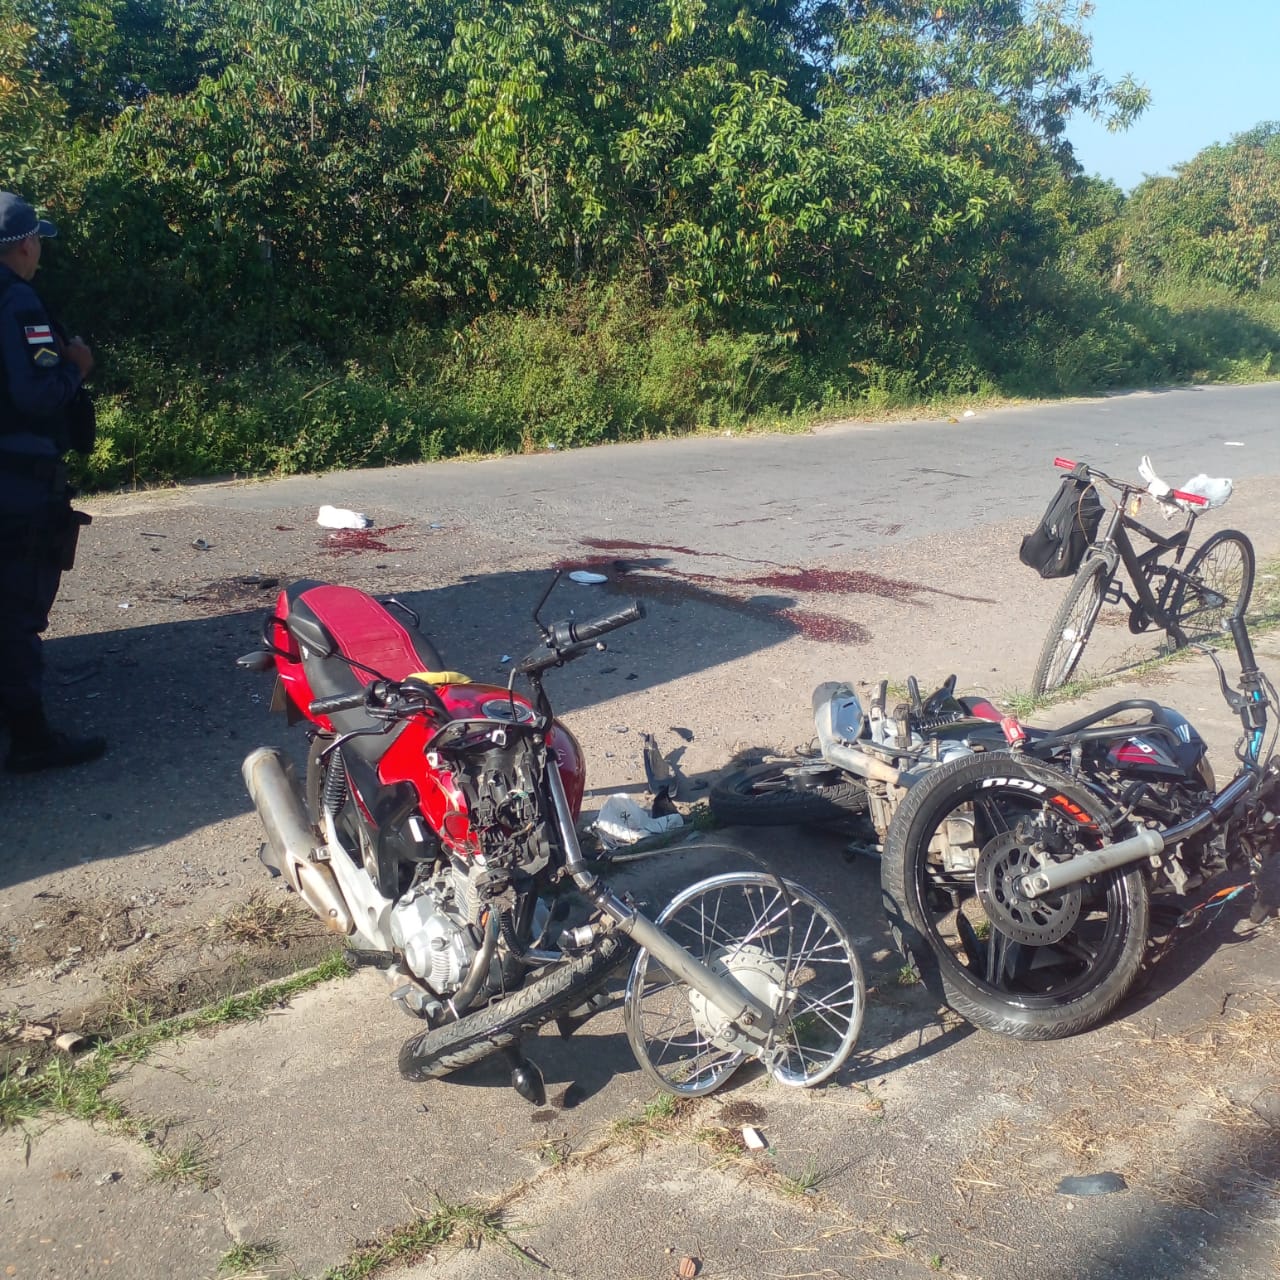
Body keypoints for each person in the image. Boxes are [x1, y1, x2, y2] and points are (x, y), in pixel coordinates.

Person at [0, 191, 105, 771]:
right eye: (36, 240)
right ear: (25, 244)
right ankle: (31, 737)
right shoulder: (19, 304)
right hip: (16, 480)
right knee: (16, 608)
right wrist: (76, 366)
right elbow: (36, 395)